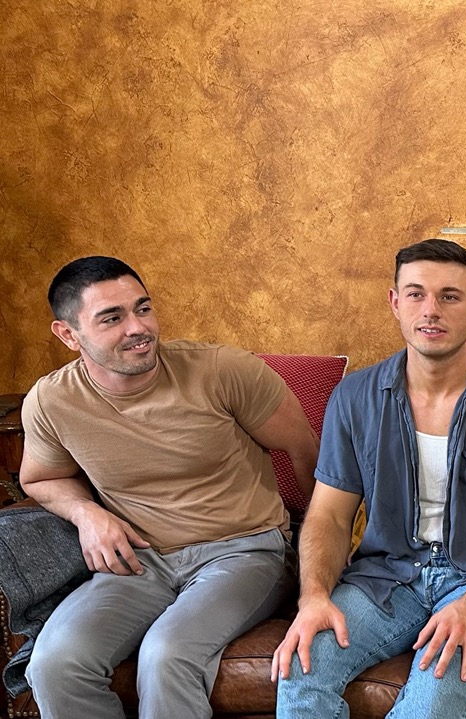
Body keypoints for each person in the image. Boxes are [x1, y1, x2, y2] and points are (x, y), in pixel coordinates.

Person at [273, 239, 466, 718]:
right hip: (386, 577)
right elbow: (329, 515)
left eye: (450, 296)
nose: (430, 310)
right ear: (395, 302)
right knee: (301, 668)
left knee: (432, 699)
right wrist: (313, 598)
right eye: (416, 294)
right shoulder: (354, 398)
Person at [19, 256, 319, 719]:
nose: (138, 328)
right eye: (112, 318)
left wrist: (323, 560)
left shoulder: (222, 370)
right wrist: (87, 514)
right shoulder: (52, 400)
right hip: (141, 561)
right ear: (68, 335)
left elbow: (308, 451)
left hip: (244, 551)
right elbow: (41, 478)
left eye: (143, 308)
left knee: (166, 655)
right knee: (54, 664)